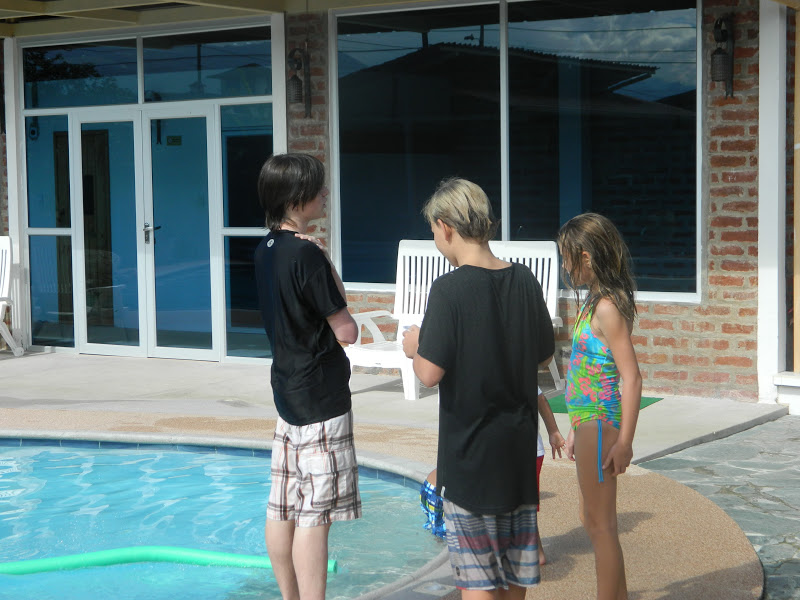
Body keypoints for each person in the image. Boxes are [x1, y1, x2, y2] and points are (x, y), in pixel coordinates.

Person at [402, 178, 555, 600]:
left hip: (471, 459)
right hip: (518, 455)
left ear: (446, 226)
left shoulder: (448, 290)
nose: (435, 240)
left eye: (433, 231)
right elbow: (544, 355)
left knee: (479, 583)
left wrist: (415, 347)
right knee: (514, 576)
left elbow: (429, 373)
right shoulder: (525, 279)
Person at [254, 153, 362, 600]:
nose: (325, 194)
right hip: (321, 398)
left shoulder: (265, 250)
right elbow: (347, 332)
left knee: (281, 506)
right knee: (314, 516)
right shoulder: (306, 255)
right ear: (297, 197)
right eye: (319, 189)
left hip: (287, 394)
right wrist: (323, 258)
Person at [557, 212, 642, 600]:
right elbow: (585, 371)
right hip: (588, 422)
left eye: (567, 257)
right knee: (591, 520)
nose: (564, 266)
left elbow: (632, 377)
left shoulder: (607, 307)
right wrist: (575, 425)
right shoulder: (594, 302)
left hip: (601, 422)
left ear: (587, 257)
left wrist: (625, 443)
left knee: (602, 526)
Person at [535, 386, 566, 565]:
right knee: (525, 506)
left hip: (525, 451)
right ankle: (535, 550)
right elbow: (540, 398)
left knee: (523, 506)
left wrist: (554, 432)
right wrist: (553, 431)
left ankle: (535, 552)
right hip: (530, 450)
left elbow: (539, 398)